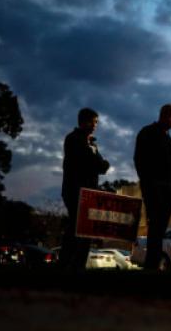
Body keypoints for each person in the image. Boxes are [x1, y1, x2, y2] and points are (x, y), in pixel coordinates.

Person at [60, 108, 110, 270]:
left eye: (96, 122)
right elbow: (89, 162)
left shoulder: (92, 143)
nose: (95, 125)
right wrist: (98, 163)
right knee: (75, 227)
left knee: (86, 230)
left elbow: (102, 166)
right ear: (83, 121)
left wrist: (99, 163)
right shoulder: (73, 139)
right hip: (74, 190)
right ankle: (66, 262)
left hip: (90, 192)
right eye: (93, 121)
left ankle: (78, 264)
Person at [134, 104, 171, 270]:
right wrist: (148, 183)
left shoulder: (169, 139)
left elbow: (170, 166)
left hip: (167, 188)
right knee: (155, 225)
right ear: (164, 115)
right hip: (153, 187)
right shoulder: (147, 133)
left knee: (160, 228)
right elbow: (139, 159)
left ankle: (153, 262)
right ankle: (151, 263)